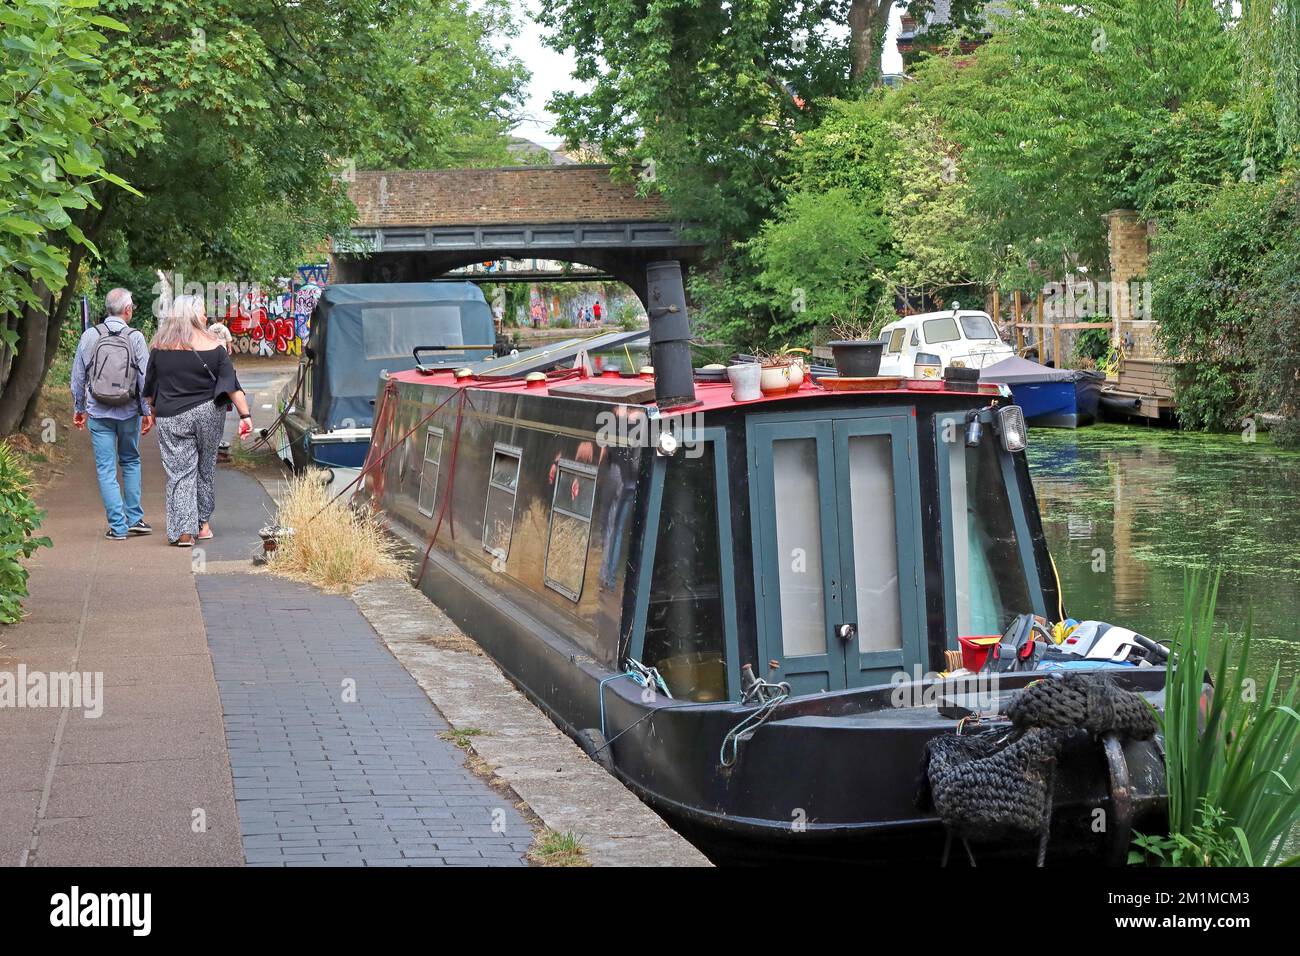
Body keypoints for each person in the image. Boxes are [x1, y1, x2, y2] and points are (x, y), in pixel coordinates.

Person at [143, 295, 254, 547]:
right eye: (203, 313)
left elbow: (150, 387)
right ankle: (202, 525)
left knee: (180, 473)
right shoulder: (215, 346)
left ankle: (184, 531)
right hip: (207, 413)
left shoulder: (160, 348)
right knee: (205, 467)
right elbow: (232, 386)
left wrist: (149, 413)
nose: (206, 317)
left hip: (172, 415)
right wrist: (245, 416)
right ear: (193, 316)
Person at [71, 288, 154, 540]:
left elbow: (78, 378)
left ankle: (118, 527)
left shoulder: (90, 336)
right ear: (127, 310)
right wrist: (147, 410)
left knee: (106, 469)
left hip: (98, 411)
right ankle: (135, 519)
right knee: (130, 461)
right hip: (128, 411)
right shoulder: (136, 338)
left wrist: (79, 408)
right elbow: (145, 378)